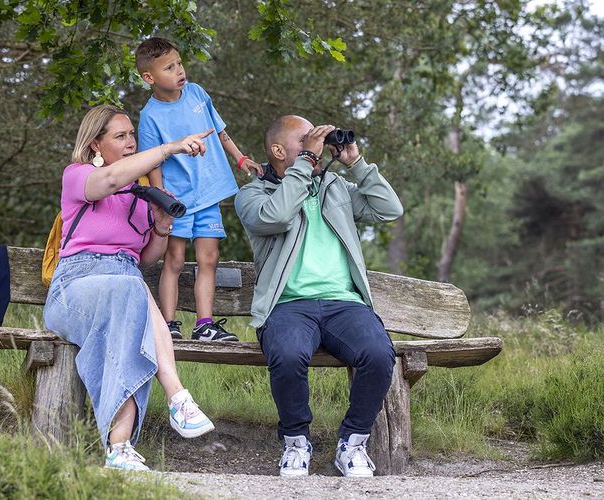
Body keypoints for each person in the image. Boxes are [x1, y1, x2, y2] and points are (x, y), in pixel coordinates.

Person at [43, 104, 217, 471]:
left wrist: (162, 225)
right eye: (120, 136)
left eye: (131, 135)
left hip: (123, 289)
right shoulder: (77, 177)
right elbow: (108, 181)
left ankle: (119, 448)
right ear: (95, 145)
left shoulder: (139, 196)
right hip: (75, 287)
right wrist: (170, 148)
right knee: (131, 288)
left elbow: (147, 256)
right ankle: (176, 395)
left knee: (130, 300)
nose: (129, 142)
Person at [234, 116, 404, 478]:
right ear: (279, 151)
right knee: (288, 354)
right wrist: (306, 164)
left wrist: (356, 164)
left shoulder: (334, 186)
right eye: (305, 139)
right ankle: (296, 442)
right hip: (288, 306)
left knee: (378, 353)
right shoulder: (253, 195)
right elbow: (275, 217)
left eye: (318, 139)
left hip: (345, 304)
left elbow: (390, 209)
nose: (316, 144)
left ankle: (353, 442)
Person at [135, 37, 263, 342]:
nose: (179, 70)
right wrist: (161, 199)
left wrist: (240, 157)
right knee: (175, 261)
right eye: (169, 67)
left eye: (179, 63)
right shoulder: (149, 116)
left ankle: (204, 325)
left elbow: (220, 131)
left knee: (209, 259)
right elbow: (153, 163)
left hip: (208, 195)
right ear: (149, 78)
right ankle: (168, 325)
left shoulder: (197, 93)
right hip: (178, 201)